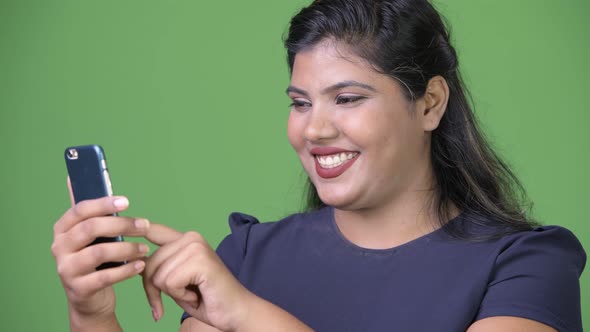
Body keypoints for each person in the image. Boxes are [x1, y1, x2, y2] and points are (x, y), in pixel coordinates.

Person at [51, 0, 586, 331]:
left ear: (430, 103)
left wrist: (246, 315)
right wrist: (93, 316)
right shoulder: (246, 255)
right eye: (301, 103)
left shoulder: (525, 266)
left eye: (347, 99)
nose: (313, 130)